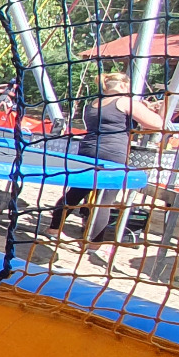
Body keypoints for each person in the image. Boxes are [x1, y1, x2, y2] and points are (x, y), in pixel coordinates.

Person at [49, 71, 166, 269]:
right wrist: (162, 109)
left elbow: (119, 120)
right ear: (122, 86)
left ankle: (53, 228)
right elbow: (157, 125)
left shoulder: (94, 104)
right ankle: (95, 244)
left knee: (77, 190)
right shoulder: (126, 102)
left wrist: (143, 108)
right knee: (105, 200)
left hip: (88, 149)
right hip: (112, 153)